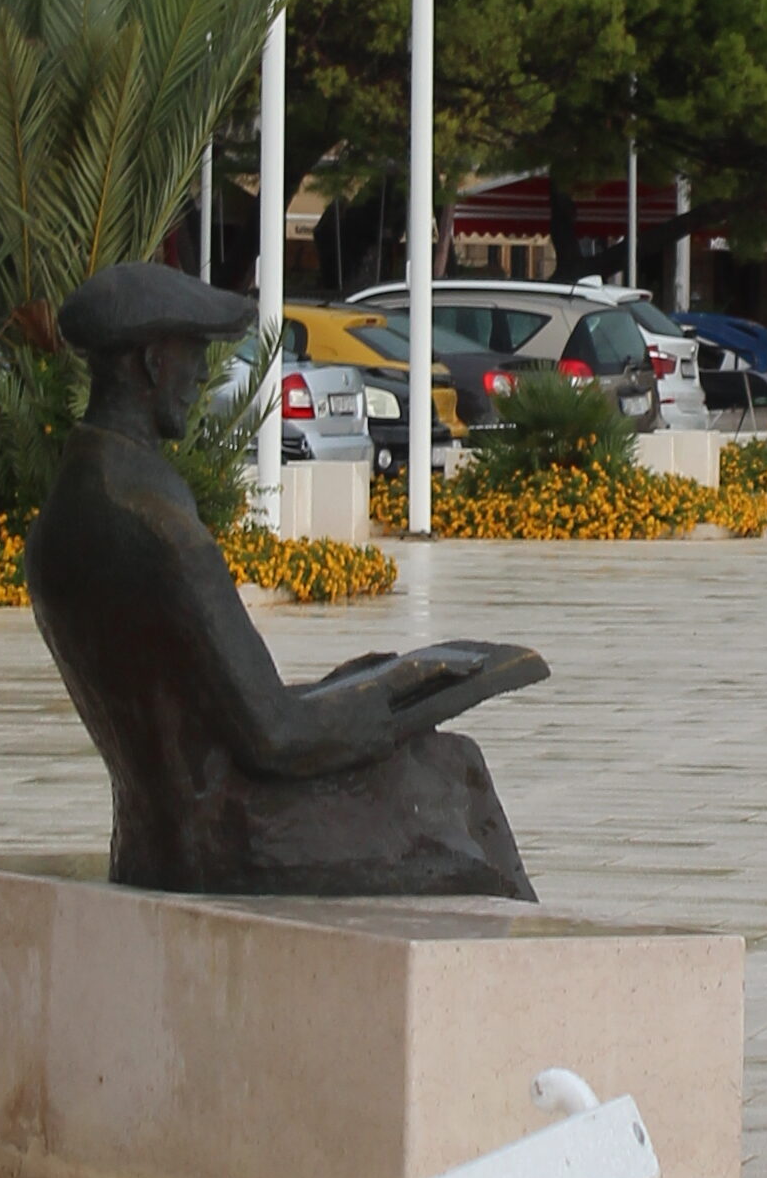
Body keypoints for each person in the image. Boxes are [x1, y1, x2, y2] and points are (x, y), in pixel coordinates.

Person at [28, 262, 549, 897]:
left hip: (149, 836)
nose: (201, 376)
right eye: (194, 355)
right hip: (225, 839)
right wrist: (405, 695)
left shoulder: (72, 507)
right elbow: (274, 737)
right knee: (453, 774)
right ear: (151, 361)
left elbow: (202, 699)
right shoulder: (156, 525)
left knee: (437, 760)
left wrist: (357, 684)